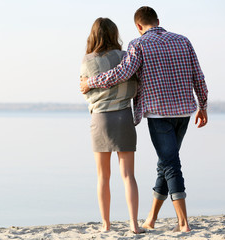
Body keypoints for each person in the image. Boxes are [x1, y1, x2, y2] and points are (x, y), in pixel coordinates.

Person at [80, 6, 208, 232]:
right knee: (165, 162)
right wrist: (203, 106)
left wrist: (91, 82)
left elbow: (123, 73)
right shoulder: (184, 41)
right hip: (184, 112)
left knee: (170, 163)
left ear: (138, 26)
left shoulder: (137, 44)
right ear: (157, 21)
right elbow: (198, 75)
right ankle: (148, 219)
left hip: (157, 112)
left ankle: (183, 223)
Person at [80, 17, 144, 234]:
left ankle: (106, 225)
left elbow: (84, 89)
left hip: (100, 119)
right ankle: (134, 224)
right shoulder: (126, 57)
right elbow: (136, 84)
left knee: (103, 176)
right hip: (124, 116)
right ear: (114, 34)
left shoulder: (88, 60)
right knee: (128, 175)